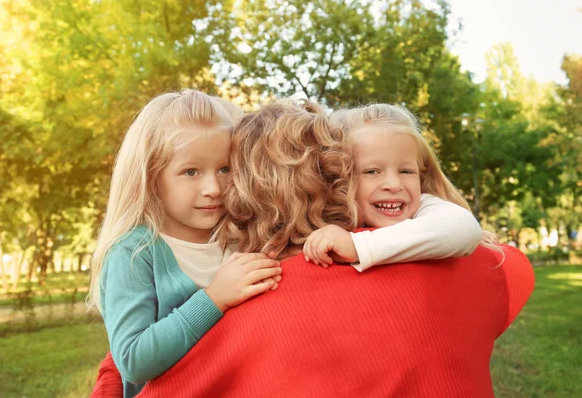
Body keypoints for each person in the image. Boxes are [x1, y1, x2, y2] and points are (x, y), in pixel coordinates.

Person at [91, 99, 534, 398]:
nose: (214, 188)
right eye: (370, 171)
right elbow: (130, 355)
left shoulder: (276, 276)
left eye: (227, 170)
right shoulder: (143, 254)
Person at [87, 90, 283, 398]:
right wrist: (214, 298)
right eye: (191, 172)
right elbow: (133, 361)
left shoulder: (241, 234)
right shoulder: (134, 253)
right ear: (151, 177)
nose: (213, 188)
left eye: (225, 169)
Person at [303, 103, 497, 268]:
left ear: (421, 175)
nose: (394, 185)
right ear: (339, 178)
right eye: (372, 171)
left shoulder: (424, 206)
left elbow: (462, 229)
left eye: (406, 171)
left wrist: (358, 246)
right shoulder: (322, 216)